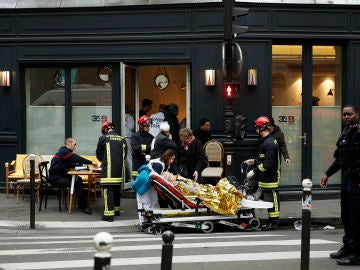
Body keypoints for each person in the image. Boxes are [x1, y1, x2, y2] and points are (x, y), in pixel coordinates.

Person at [320, 104, 360, 266]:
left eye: (349, 114)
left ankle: (357, 253)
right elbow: (341, 158)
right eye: (344, 115)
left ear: (356, 114)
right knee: (346, 215)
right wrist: (328, 173)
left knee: (356, 217)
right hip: (347, 179)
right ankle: (348, 247)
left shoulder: (358, 131)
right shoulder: (347, 131)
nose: (346, 117)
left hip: (357, 180)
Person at [244, 116, 280, 231]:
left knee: (272, 200)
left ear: (262, 128)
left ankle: (274, 223)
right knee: (268, 200)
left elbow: (268, 164)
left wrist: (254, 171)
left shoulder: (269, 143)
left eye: (257, 127)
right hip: (265, 177)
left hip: (271, 177)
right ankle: (271, 222)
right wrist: (253, 161)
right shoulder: (266, 141)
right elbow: (263, 159)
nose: (256, 129)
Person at [49, 138, 97, 215]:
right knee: (77, 182)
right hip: (55, 178)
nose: (75, 146)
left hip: (60, 175)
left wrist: (78, 165)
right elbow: (76, 158)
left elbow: (70, 162)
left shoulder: (64, 151)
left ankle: (81, 203)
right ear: (70, 144)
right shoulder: (64, 152)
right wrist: (91, 162)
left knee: (79, 179)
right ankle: (84, 206)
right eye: (75, 144)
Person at [133, 149, 177, 226]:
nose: (172, 161)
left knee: (153, 201)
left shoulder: (160, 162)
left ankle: (152, 219)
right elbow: (157, 178)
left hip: (148, 182)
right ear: (167, 157)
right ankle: (144, 222)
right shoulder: (159, 165)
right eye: (171, 158)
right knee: (145, 202)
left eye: (173, 159)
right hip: (145, 183)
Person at [96, 121, 127, 222]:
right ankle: (116, 211)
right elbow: (125, 154)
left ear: (105, 129)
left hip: (108, 170)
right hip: (119, 171)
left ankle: (108, 215)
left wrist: (104, 161)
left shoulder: (103, 138)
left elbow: (99, 154)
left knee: (108, 191)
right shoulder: (122, 139)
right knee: (116, 190)